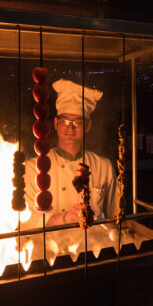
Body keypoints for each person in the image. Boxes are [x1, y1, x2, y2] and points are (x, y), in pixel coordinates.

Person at [40, 79, 117, 225]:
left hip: (95, 239)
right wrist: (64, 218)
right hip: (53, 240)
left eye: (78, 122)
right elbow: (28, 221)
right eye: (65, 121)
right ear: (56, 123)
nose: (70, 128)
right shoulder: (37, 167)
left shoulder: (104, 166)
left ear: (88, 126)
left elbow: (114, 216)